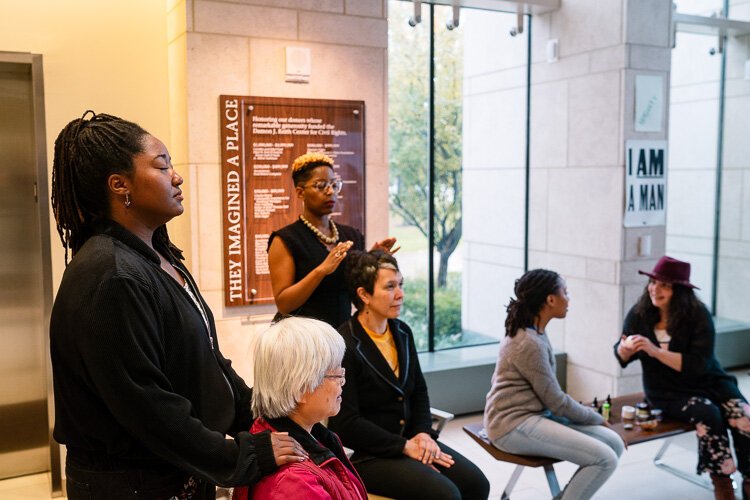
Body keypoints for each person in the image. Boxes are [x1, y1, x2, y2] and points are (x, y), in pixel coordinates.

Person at [49, 111, 305, 499]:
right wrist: (241, 455)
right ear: (120, 185)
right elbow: (147, 406)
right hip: (133, 484)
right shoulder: (113, 275)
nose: (177, 176)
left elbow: (206, 361)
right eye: (162, 165)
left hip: (175, 471)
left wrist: (261, 412)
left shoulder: (156, 256)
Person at [328, 250, 490, 500]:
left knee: (477, 484)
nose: (401, 294)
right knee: (446, 495)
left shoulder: (402, 331)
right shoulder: (345, 344)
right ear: (364, 295)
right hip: (369, 455)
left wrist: (423, 434)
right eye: (390, 287)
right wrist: (405, 447)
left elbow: (420, 392)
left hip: (411, 440)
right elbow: (346, 423)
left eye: (400, 285)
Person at [615, 256, 750, 500]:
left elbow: (698, 365)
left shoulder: (698, 315)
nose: (655, 289)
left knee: (743, 414)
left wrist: (655, 351)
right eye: (653, 282)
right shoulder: (640, 314)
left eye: (664, 285)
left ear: (680, 291)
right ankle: (723, 482)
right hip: (667, 392)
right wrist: (623, 349)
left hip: (710, 382)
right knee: (708, 413)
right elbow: (622, 349)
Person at [485, 269, 624, 500]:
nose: (569, 299)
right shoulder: (529, 343)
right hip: (511, 424)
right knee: (604, 459)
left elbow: (552, 402)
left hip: (536, 415)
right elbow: (557, 402)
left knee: (614, 443)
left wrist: (595, 420)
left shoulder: (535, 331)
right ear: (550, 299)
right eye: (566, 293)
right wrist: (597, 417)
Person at [233, 317, 367, 500]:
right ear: (301, 389)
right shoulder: (294, 483)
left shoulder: (315, 436)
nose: (342, 384)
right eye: (336, 375)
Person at [267, 152, 396, 328]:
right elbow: (284, 304)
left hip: (342, 334)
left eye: (334, 185)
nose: (330, 191)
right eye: (321, 186)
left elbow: (360, 290)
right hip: (303, 339)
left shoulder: (351, 236)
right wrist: (321, 270)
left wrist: (373, 259)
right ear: (300, 192)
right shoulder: (285, 240)